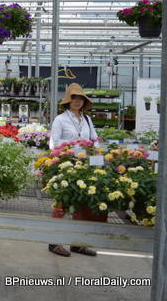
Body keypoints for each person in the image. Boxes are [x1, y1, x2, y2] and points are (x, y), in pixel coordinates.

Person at [48, 83, 99, 258]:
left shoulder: (87, 120)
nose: (77, 102)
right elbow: (55, 142)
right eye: (74, 98)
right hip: (66, 164)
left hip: (84, 166)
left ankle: (78, 244)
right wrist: (70, 149)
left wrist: (95, 153)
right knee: (61, 203)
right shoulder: (60, 119)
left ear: (84, 102)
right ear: (68, 101)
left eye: (80, 99)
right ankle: (54, 242)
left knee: (81, 203)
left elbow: (94, 140)